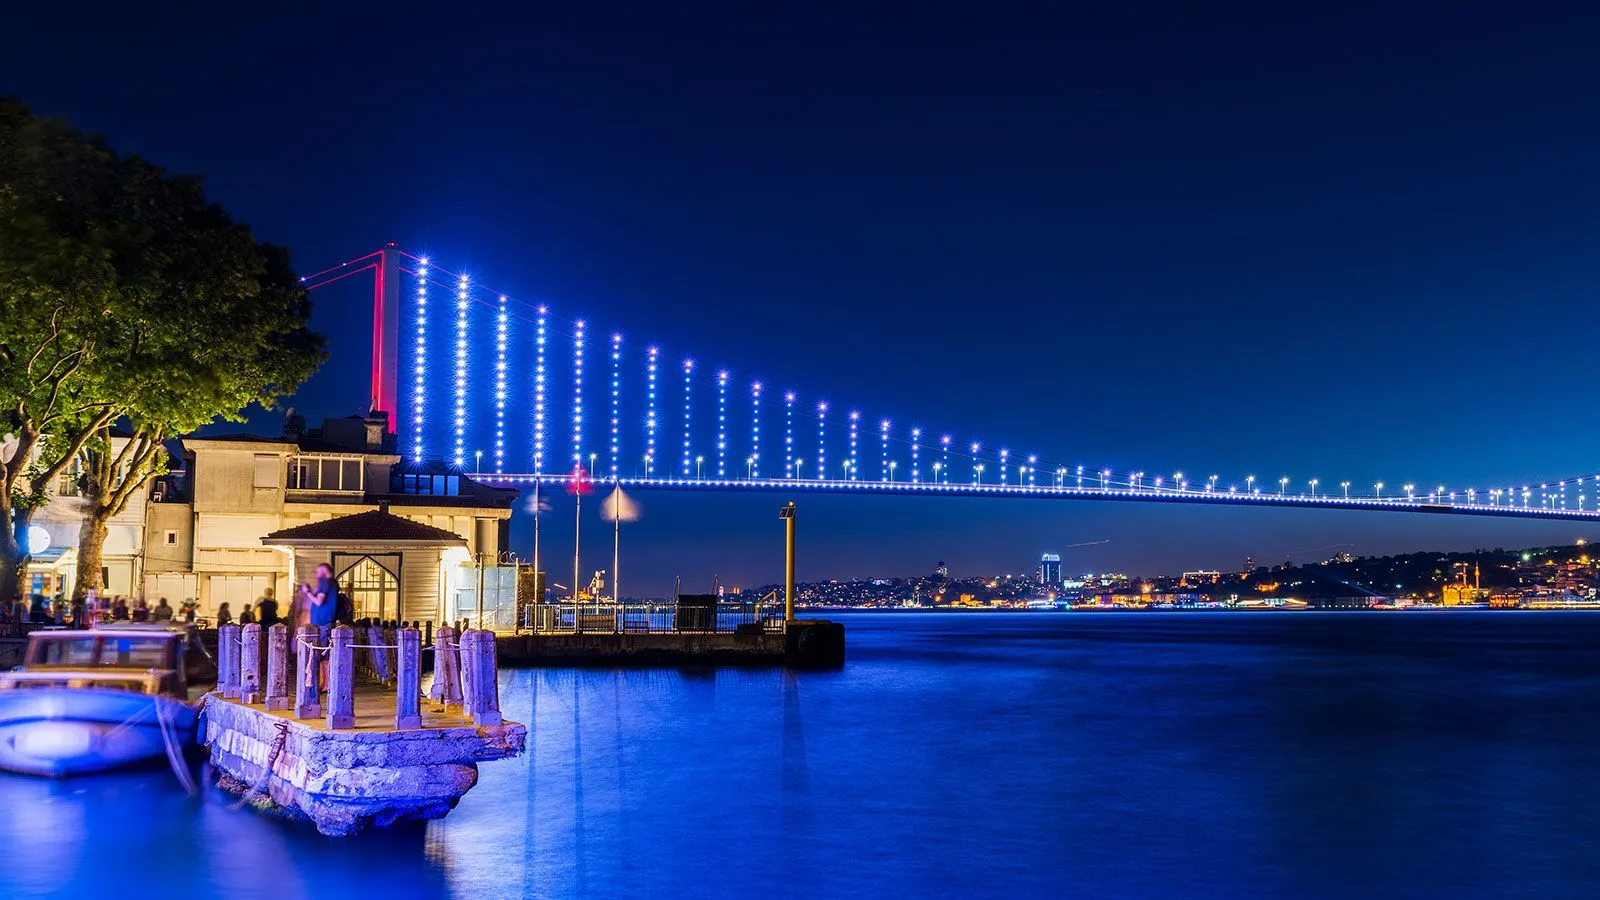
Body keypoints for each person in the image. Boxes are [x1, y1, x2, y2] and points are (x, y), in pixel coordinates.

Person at [302, 563, 340, 691]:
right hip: (324, 623)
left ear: (324, 571)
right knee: (324, 655)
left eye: (318, 572)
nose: (317, 575)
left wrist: (307, 592)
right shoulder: (331, 583)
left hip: (323, 624)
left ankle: (319, 684)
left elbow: (319, 601)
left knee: (320, 655)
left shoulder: (326, 582)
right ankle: (325, 684)